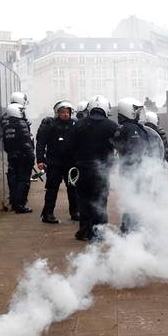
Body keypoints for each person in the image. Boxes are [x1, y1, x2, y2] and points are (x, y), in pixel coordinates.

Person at [113, 97, 164, 233]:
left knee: (130, 198)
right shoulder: (131, 129)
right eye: (136, 110)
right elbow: (136, 151)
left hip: (128, 170)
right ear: (128, 111)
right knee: (134, 199)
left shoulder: (124, 127)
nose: (138, 113)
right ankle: (130, 229)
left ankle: (128, 227)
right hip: (134, 171)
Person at [70, 95, 117, 241]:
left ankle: (85, 230)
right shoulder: (112, 125)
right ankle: (99, 231)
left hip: (83, 169)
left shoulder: (79, 124)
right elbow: (119, 147)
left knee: (84, 200)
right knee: (100, 200)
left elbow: (70, 146)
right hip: (102, 170)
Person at [36, 100, 78, 223]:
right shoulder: (50, 125)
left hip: (71, 163)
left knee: (73, 189)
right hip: (54, 163)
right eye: (63, 112)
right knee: (52, 189)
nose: (65, 114)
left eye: (67, 112)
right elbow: (41, 143)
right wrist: (40, 160)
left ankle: (75, 212)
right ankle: (48, 214)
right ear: (57, 113)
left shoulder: (75, 125)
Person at [2, 103, 35, 213]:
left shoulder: (7, 126)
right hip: (23, 157)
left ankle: (15, 203)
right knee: (23, 180)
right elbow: (26, 142)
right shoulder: (21, 124)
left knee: (14, 180)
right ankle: (20, 205)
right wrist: (31, 155)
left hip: (12, 156)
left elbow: (5, 145)